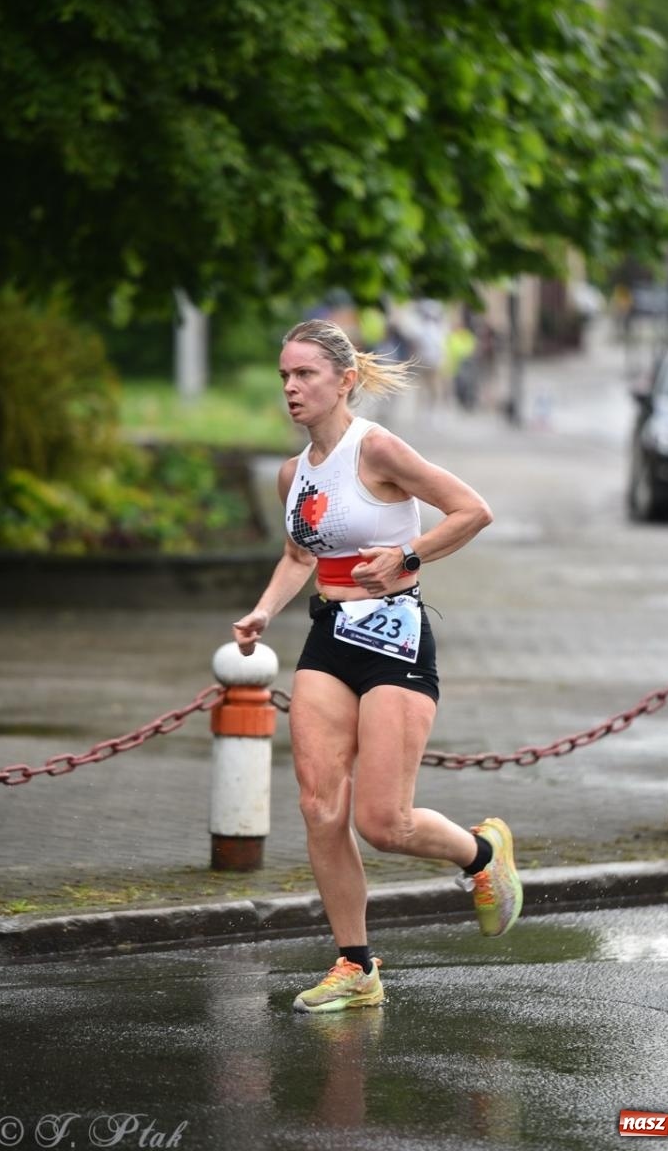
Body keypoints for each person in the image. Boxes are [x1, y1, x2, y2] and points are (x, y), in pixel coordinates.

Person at [233, 318, 523, 1014]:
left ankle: (482, 857)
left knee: (384, 823)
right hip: (329, 638)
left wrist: (408, 555)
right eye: (284, 375)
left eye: (304, 374)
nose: (291, 387)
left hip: (394, 637)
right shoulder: (292, 474)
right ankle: (356, 966)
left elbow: (472, 510)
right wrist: (263, 611)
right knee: (318, 806)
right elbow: (299, 555)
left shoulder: (379, 449)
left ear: (344, 382)